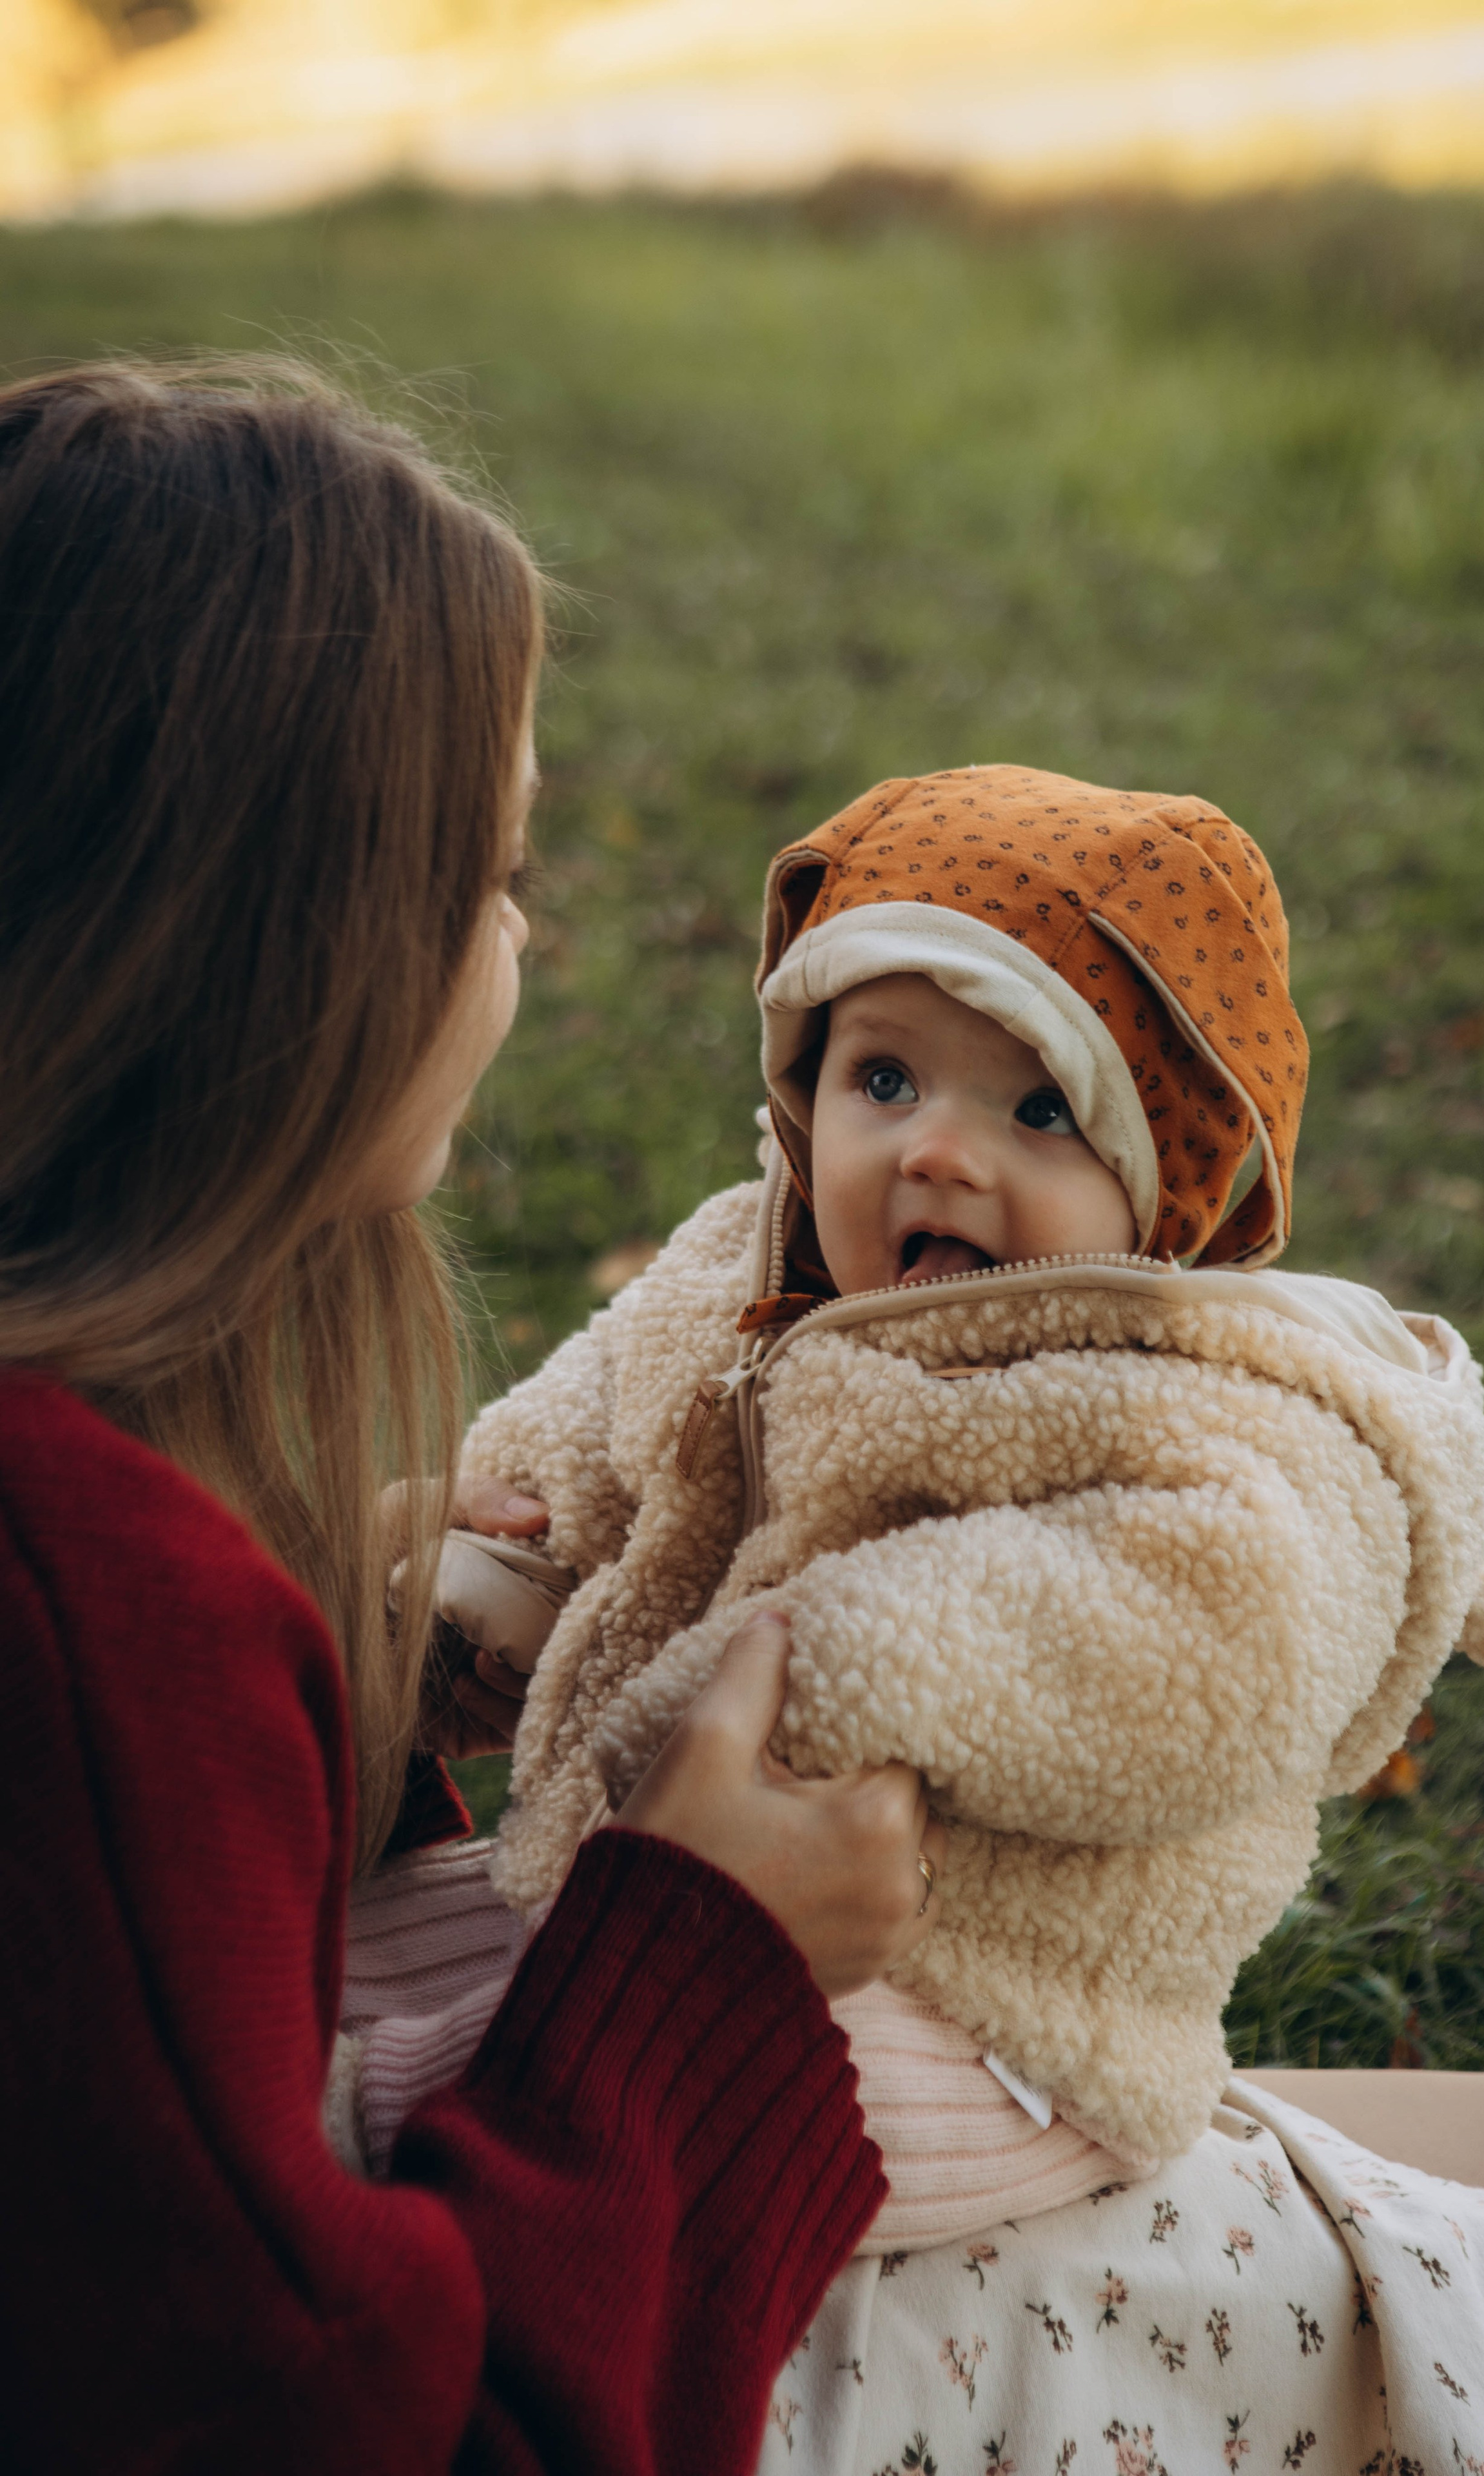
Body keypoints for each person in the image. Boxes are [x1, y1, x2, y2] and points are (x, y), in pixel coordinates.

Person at [427, 767, 1484, 2470]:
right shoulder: (747, 1273)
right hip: (732, 1886)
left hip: (998, 2001)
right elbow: (596, 1426)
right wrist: (501, 1564)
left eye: (1038, 1114)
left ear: (1169, 1189)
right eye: (882, 1077)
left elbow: (1201, 1642)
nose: (933, 1146)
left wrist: (807, 1675)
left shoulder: (1201, 1416)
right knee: (541, 2007)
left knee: (683, 2107)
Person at [0, 359, 946, 2476]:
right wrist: (711, 1959)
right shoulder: (83, 1612)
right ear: (287, 951)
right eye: (495, 878)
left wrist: (339, 1676)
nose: (516, 945)